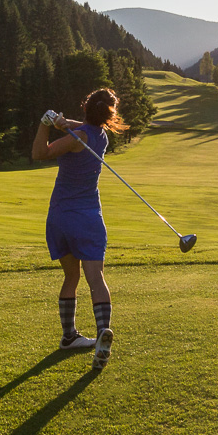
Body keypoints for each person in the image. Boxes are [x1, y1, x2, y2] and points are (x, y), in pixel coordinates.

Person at [33, 88, 129, 367]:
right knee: (95, 278)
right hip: (87, 218)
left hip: (59, 217)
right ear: (107, 115)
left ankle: (68, 336)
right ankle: (102, 334)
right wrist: (63, 123)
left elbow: (40, 153)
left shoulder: (76, 139)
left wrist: (45, 124)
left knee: (71, 277)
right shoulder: (101, 136)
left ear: (86, 107)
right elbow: (85, 126)